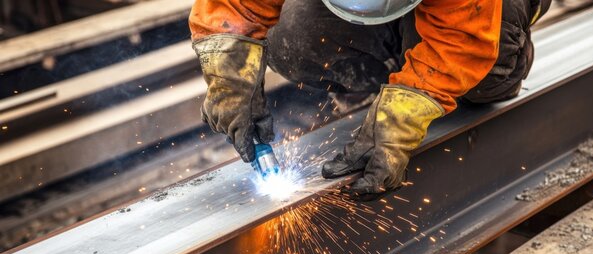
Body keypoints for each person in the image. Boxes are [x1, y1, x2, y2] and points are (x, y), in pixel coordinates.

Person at [189, 0, 550, 200]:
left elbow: (462, 40)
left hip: (482, 10)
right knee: (294, 36)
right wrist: (228, 76)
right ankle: (405, 66)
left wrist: (402, 118)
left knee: (484, 70)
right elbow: (235, 6)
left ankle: (440, 70)